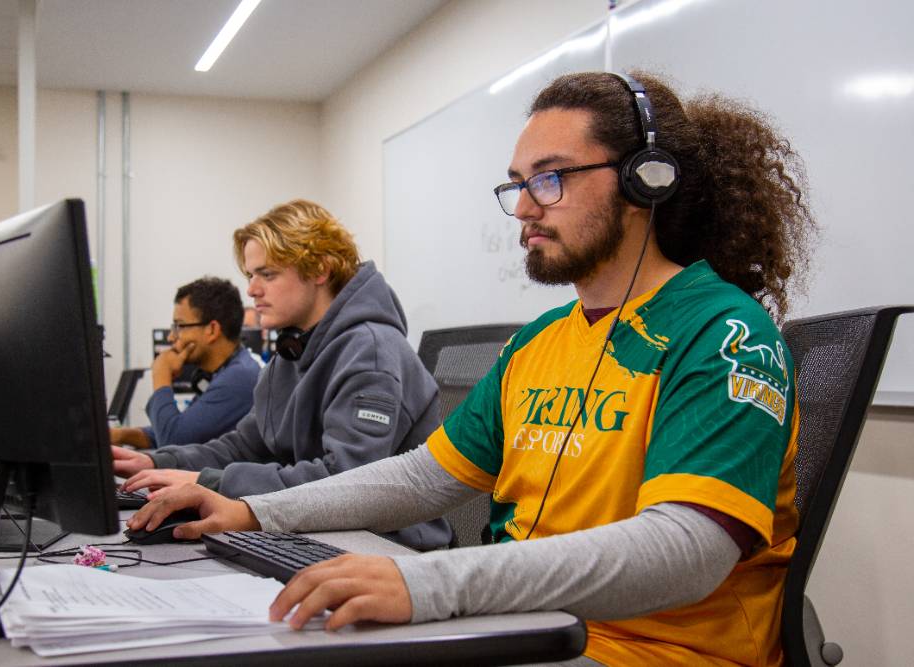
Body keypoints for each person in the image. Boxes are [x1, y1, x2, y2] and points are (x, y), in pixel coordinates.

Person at [128, 72, 816, 664]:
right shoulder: (540, 342)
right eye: (517, 184)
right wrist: (251, 511)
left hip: (653, 652)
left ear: (647, 179)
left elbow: (686, 549)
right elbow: (425, 475)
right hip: (524, 628)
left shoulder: (724, 334)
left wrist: (431, 585)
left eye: (549, 179)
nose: (522, 208)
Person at [115, 200, 450, 550]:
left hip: (391, 548)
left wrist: (210, 482)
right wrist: (158, 461)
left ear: (320, 269)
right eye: (250, 275)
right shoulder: (294, 349)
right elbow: (247, 444)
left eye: (268, 274)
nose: (252, 290)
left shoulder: (371, 352)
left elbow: (346, 480)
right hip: (319, 531)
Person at [111, 277, 260, 449]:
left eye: (179, 326)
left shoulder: (239, 377)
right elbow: (177, 430)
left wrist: (161, 375)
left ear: (212, 330)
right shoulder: (225, 371)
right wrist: (121, 435)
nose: (171, 337)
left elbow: (173, 442)